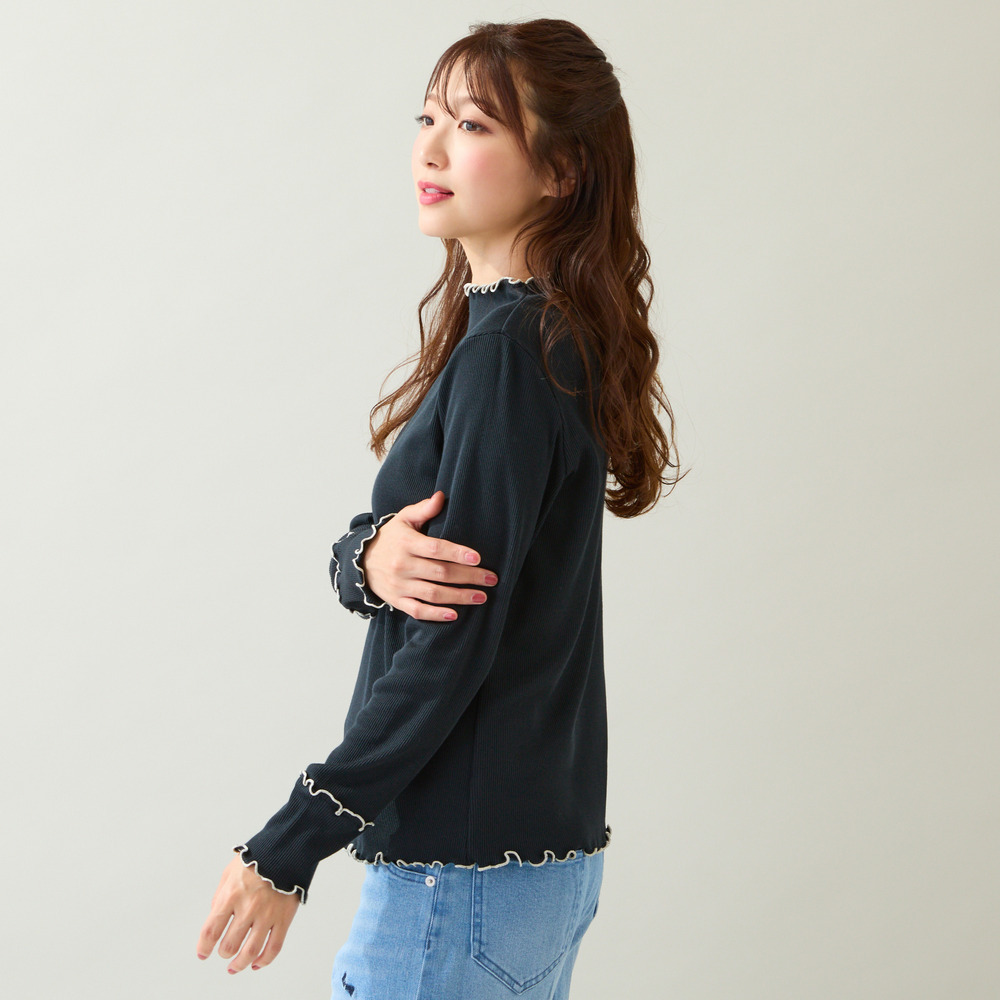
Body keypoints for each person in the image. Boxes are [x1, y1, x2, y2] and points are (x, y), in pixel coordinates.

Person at [196, 17, 683, 998]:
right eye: (427, 118)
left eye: (472, 125)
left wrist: (290, 842)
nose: (429, 150)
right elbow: (428, 567)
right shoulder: (540, 336)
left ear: (561, 171)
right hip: (533, 862)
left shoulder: (508, 354)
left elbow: (449, 642)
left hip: (456, 880)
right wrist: (367, 555)